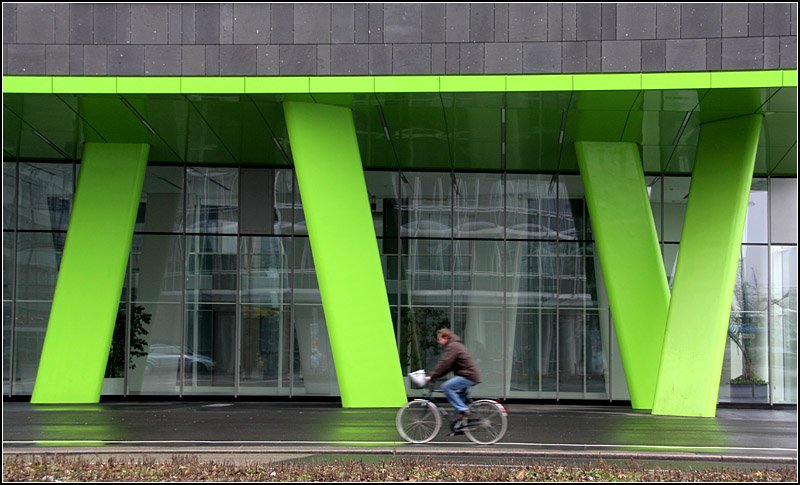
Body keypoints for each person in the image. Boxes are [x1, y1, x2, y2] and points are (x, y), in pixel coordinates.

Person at [425, 328, 481, 430]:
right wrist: (436, 376)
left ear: (445, 337)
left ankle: (463, 409)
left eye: (439, 339)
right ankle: (459, 424)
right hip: (470, 375)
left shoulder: (453, 346)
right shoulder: (455, 345)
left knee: (447, 387)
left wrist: (432, 376)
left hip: (468, 375)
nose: (438, 341)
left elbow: (444, 363)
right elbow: (448, 367)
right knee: (458, 397)